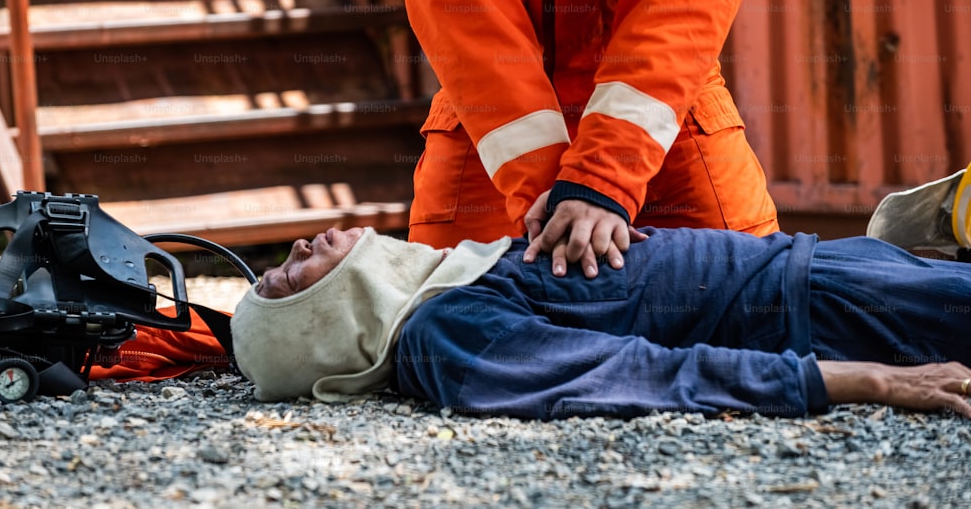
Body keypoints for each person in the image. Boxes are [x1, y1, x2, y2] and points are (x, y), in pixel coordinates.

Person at [230, 167, 971, 420]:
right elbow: (639, 375)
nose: (297, 248)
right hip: (825, 305)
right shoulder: (444, 332)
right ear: (319, 328)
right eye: (283, 281)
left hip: (823, 273)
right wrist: (868, 381)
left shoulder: (449, 287)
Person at [391, 0, 778, 275]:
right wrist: (560, 205)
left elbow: (679, 7)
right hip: (494, 130)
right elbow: (474, 36)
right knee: (444, 320)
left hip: (662, 119)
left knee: (753, 299)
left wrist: (601, 179)